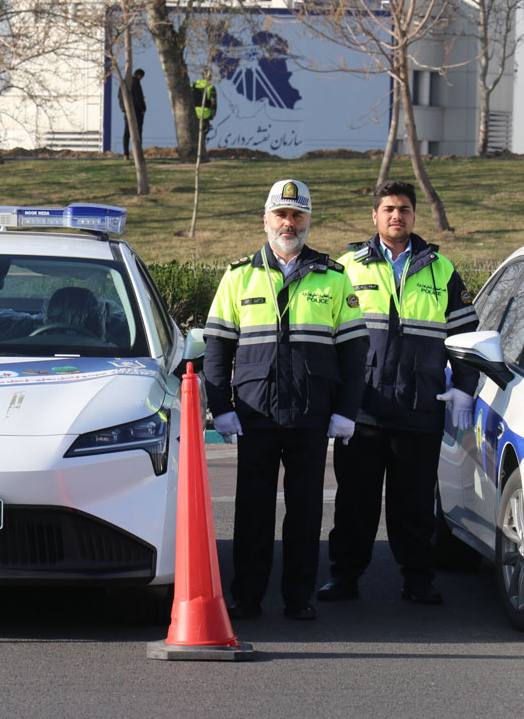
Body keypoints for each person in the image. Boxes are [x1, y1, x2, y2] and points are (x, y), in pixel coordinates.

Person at [202, 179, 369, 621]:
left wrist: (345, 412)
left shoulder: (335, 278)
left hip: (312, 414)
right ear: (266, 219)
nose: (288, 223)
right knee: (251, 511)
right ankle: (247, 596)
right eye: (281, 214)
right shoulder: (238, 276)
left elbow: (355, 354)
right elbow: (217, 348)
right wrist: (220, 407)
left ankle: (299, 597)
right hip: (255, 413)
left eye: (297, 215)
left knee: (306, 512)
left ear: (309, 220)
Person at [317, 180, 478, 606]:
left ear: (413, 216)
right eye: (388, 208)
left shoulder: (441, 269)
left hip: (419, 410)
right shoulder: (347, 266)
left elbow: (466, 338)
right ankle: (344, 577)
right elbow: (324, 336)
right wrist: (334, 402)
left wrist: (464, 390)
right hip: (363, 411)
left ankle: (418, 580)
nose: (396, 216)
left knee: (414, 506)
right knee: (355, 504)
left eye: (404, 209)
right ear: (374, 215)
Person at [119, 68, 146, 157]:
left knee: (127, 133)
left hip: (127, 111)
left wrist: (124, 109)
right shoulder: (136, 83)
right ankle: (138, 153)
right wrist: (143, 109)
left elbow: (120, 97)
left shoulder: (124, 82)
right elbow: (139, 97)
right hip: (137, 112)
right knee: (138, 132)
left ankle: (126, 153)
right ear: (139, 76)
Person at [192, 76, 217, 149]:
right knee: (203, 132)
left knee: (194, 132)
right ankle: (200, 149)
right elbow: (214, 103)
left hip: (193, 113)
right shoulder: (210, 87)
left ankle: (195, 149)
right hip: (205, 114)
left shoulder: (193, 85)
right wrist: (213, 114)